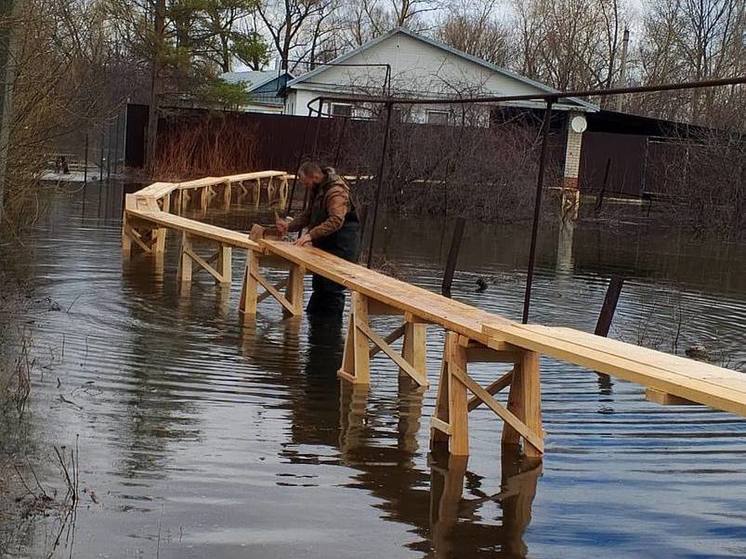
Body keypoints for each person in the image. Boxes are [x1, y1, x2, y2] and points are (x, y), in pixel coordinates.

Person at [275, 162, 360, 316]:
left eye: (305, 182)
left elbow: (336, 220)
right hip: (326, 245)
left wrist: (310, 235)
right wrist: (289, 226)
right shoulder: (319, 189)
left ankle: (329, 331)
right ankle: (315, 327)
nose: (304, 186)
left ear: (314, 176)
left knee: (332, 290)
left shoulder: (335, 192)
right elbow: (309, 215)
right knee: (319, 286)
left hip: (341, 246)